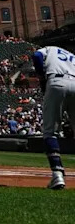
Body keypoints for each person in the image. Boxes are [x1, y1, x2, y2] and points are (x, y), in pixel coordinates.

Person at [33, 45, 75, 190]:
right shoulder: (71, 55)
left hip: (57, 82)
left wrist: (41, 78)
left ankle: (57, 175)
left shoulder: (49, 49)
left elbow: (37, 56)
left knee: (50, 132)